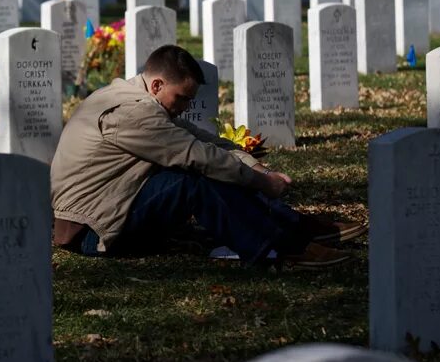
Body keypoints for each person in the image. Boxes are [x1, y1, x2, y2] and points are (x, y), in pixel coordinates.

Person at [50, 44, 365, 268]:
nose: (186, 106)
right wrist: (260, 182)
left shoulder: (139, 95)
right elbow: (195, 155)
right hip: (92, 231)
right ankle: (280, 248)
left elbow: (202, 139)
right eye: (182, 98)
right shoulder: (131, 113)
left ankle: (299, 228)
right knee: (194, 180)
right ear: (157, 84)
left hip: (114, 204)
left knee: (217, 168)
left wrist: (255, 167)